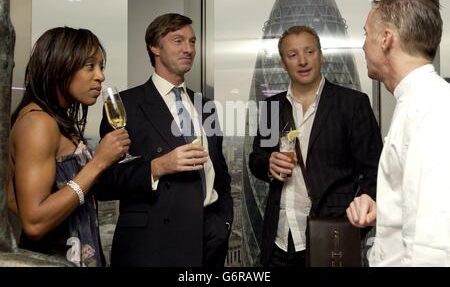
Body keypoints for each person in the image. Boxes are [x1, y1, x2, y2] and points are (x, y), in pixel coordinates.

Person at [96, 13, 233, 267]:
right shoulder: (126, 105)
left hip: (208, 241)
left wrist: (222, 223)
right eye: (178, 41)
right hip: (153, 245)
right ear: (155, 47)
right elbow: (104, 181)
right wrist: (158, 167)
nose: (189, 49)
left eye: (192, 42)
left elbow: (221, 173)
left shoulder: (206, 106)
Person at [249, 25, 383, 267]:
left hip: (331, 238)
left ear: (321, 55)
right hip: (280, 239)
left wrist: (355, 224)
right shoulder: (272, 108)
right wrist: (268, 164)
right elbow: (257, 158)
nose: (302, 61)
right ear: (282, 63)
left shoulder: (352, 104)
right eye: (293, 55)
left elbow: (373, 170)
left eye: (309, 52)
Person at [8, 27, 130, 267]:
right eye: (89, 66)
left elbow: (14, 201)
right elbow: (33, 223)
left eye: (101, 67)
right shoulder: (38, 123)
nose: (100, 76)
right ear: (60, 66)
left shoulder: (58, 121)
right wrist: (98, 162)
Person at [346, 0, 450, 266]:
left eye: (366, 34)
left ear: (386, 39)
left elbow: (433, 249)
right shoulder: (419, 103)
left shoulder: (431, 110)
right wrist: (386, 210)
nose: (363, 44)